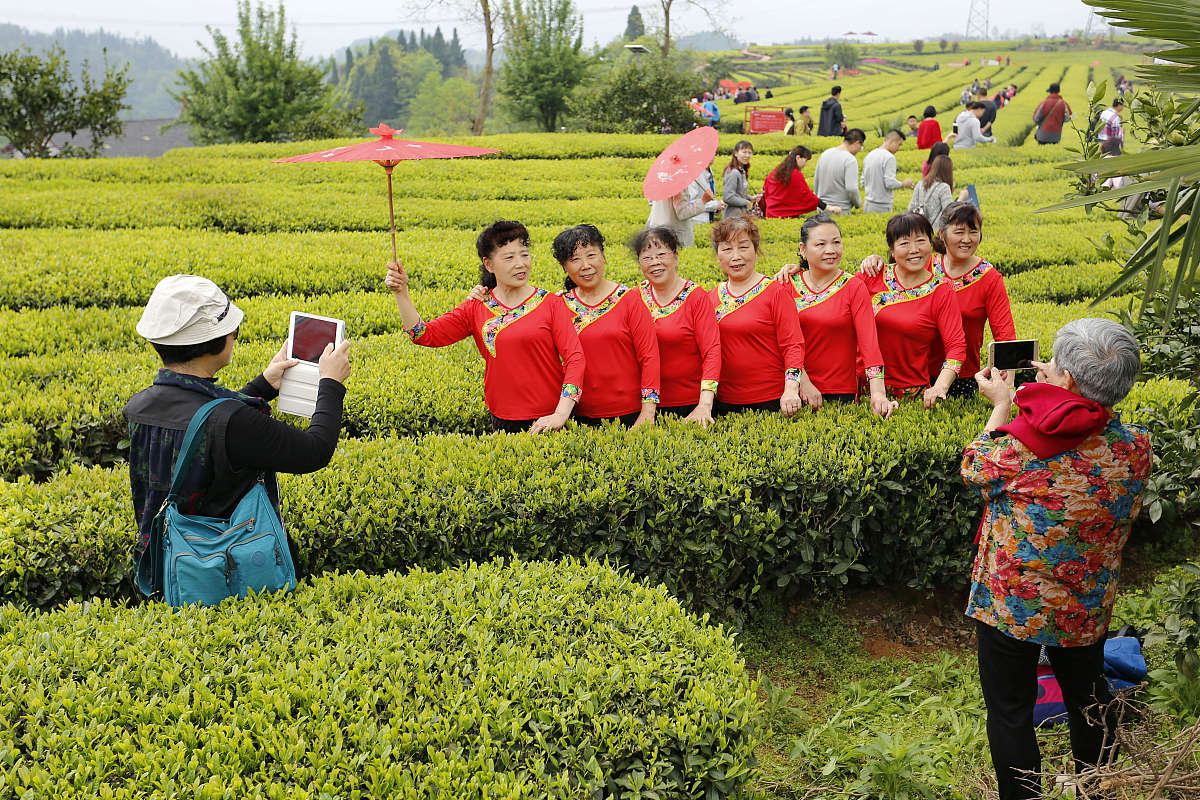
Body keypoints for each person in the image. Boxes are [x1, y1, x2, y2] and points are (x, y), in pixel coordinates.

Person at [964, 318, 1152, 800]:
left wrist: (1004, 405)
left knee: (1010, 709)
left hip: (1013, 606)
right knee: (1088, 695)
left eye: (1053, 363)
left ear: (1068, 380)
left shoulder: (1019, 451)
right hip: (1085, 602)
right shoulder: (1134, 446)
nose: (1044, 367)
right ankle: (1098, 786)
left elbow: (974, 465)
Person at [124, 275, 351, 588]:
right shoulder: (237, 423)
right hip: (226, 573)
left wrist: (263, 385)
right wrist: (331, 383)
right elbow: (315, 451)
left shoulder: (139, 406)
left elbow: (202, 423)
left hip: (167, 567)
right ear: (216, 343)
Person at [388, 221, 584, 434]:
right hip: (503, 419)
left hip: (551, 417)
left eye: (524, 254)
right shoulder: (476, 307)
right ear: (489, 264)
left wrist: (561, 413)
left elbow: (575, 358)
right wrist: (401, 292)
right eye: (509, 257)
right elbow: (423, 334)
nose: (520, 264)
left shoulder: (550, 303)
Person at [784, 214, 894, 416]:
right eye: (820, 244)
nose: (830, 250)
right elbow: (781, 342)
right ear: (803, 249)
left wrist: (878, 393)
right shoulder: (786, 285)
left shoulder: (853, 287)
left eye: (836, 242)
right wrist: (802, 382)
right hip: (791, 392)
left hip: (840, 392)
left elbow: (869, 344)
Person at [854, 213, 966, 406]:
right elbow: (831, 293)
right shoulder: (872, 276)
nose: (914, 250)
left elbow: (956, 346)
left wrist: (940, 386)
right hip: (861, 388)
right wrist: (795, 272)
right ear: (892, 248)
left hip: (908, 393)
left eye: (921, 241)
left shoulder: (941, 293)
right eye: (904, 243)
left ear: (930, 244)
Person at [555, 224, 660, 428]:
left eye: (591, 255)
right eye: (575, 259)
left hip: (629, 414)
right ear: (565, 267)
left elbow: (650, 357)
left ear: (603, 257)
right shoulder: (559, 305)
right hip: (578, 415)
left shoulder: (630, 299)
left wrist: (648, 413)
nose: (585, 265)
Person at [708, 217, 811, 415]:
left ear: (755, 251)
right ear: (718, 255)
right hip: (724, 403)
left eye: (743, 247)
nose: (735, 256)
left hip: (772, 401)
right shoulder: (711, 297)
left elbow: (793, 345)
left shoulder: (775, 292)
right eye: (727, 249)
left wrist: (791, 390)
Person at [631, 226, 721, 426]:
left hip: (690, 403)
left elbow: (712, 352)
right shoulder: (634, 298)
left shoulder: (696, 297)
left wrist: (705, 404)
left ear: (676, 257)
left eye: (661, 254)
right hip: (644, 407)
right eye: (647, 258)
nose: (655, 262)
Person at [646, 160, 726, 247]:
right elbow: (682, 213)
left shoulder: (664, 181)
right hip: (674, 234)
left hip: (657, 229)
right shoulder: (679, 184)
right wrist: (703, 201)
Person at [763, 145, 841, 218]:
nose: (805, 164)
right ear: (798, 158)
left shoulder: (776, 171)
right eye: (805, 160)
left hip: (770, 213)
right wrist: (829, 207)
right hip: (785, 216)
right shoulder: (795, 174)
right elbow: (807, 195)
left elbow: (766, 188)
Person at [861, 130, 915, 214]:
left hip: (868, 204)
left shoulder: (870, 155)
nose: (899, 148)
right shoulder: (889, 157)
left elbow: (862, 181)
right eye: (899, 144)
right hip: (882, 205)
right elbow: (890, 183)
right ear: (892, 141)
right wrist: (904, 183)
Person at [813, 128, 866, 214]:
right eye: (861, 147)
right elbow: (851, 188)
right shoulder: (850, 160)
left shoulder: (825, 153)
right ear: (857, 143)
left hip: (823, 208)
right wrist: (858, 204)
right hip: (840, 210)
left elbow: (816, 181)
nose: (860, 150)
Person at [908, 154, 968, 228]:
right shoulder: (944, 187)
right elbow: (949, 213)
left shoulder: (920, 184)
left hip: (919, 229)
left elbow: (911, 207)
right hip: (936, 231)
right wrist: (961, 198)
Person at [722, 140, 763, 220]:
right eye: (744, 152)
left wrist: (751, 198)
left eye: (749, 152)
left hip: (740, 215)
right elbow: (728, 197)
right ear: (736, 153)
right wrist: (746, 202)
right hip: (732, 217)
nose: (747, 155)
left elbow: (739, 193)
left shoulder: (741, 171)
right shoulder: (734, 172)